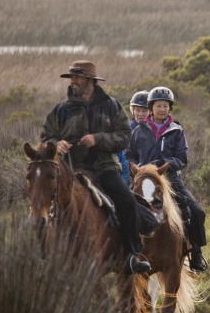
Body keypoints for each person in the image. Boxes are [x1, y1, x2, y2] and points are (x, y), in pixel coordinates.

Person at [41, 60, 150, 274]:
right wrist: (56, 144)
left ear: (90, 80)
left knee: (127, 200)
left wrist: (98, 139)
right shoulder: (61, 110)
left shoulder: (111, 106)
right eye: (71, 77)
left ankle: (132, 255)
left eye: (77, 77)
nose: (73, 81)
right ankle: (44, 258)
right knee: (42, 201)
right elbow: (46, 136)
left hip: (104, 168)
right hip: (72, 169)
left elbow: (124, 136)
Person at [126, 86, 209, 273]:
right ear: (151, 108)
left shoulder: (176, 130)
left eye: (165, 106)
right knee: (125, 210)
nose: (162, 109)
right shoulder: (139, 131)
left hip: (171, 180)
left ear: (169, 108)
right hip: (145, 181)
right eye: (158, 106)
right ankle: (127, 254)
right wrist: (133, 166)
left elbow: (182, 158)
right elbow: (129, 153)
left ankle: (196, 252)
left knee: (196, 212)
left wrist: (167, 165)